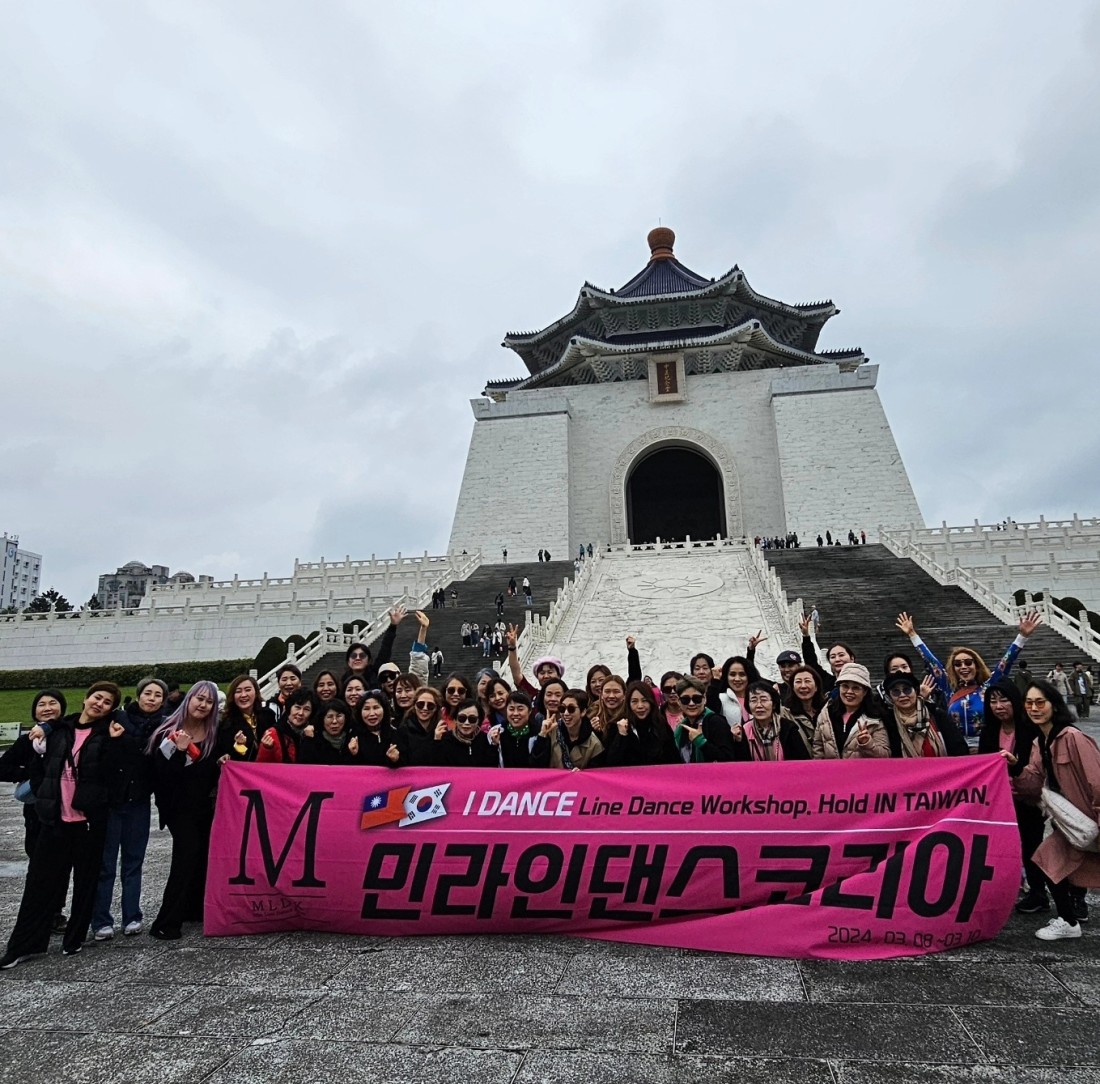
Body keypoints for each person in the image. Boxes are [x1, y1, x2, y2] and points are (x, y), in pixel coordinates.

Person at [0, 682, 125, 968]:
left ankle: (74, 938)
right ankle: (24, 945)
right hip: (54, 819)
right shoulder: (60, 729)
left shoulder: (109, 733)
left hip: (88, 822)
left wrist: (116, 742)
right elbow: (36, 765)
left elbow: (114, 775)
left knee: (85, 883)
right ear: (85, 699)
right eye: (97, 697)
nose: (100, 704)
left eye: (107, 702)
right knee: (39, 884)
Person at [1016, 679, 1100, 940]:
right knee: (1047, 859)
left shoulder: (1073, 737)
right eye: (1029, 703)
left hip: (1089, 818)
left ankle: (1069, 918)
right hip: (1068, 823)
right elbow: (1033, 782)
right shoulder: (1040, 742)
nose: (1034, 708)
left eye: (1040, 702)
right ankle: (1068, 920)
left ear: (1054, 704)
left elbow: (1097, 781)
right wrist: (1013, 768)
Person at [92, 676, 169, 941]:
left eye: (158, 695)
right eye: (148, 693)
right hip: (112, 802)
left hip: (139, 802)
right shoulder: (118, 718)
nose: (152, 699)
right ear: (138, 695)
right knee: (106, 864)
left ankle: (132, 916)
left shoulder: (165, 726)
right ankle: (101, 920)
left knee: (133, 862)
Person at [146, 681, 221, 941]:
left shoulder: (213, 733)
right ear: (189, 700)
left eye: (209, 701)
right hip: (177, 808)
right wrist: (179, 750)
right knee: (186, 854)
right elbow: (164, 777)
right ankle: (166, 921)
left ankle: (192, 908)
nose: (203, 705)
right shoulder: (167, 732)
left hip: (203, 806)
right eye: (199, 699)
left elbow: (210, 771)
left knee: (202, 855)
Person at [897, 609, 1042, 742]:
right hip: (957, 747)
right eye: (958, 664)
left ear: (976, 666)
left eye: (968, 662)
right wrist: (912, 634)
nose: (963, 667)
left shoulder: (988, 687)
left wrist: (1022, 637)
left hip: (986, 745)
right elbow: (931, 661)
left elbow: (1006, 662)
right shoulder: (949, 689)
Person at [0, 689, 70, 932]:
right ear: (34, 711)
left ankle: (55, 912)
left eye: (53, 703)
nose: (47, 708)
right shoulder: (28, 740)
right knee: (38, 864)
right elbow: (3, 768)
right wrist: (32, 773)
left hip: (65, 811)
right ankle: (37, 915)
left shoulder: (67, 733)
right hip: (37, 813)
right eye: (42, 704)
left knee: (62, 865)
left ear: (62, 708)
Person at [977, 680, 1046, 914]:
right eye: (993, 701)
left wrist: (1016, 766)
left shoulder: (1031, 729)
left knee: (1032, 846)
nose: (998, 706)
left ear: (1016, 701)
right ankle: (1006, 890)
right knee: (1003, 847)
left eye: (1004, 700)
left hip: (1027, 798)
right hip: (1000, 800)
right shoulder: (989, 731)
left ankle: (1039, 893)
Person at [813, 663, 891, 759]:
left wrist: (867, 744)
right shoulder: (826, 713)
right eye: (845, 686)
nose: (849, 692)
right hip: (830, 769)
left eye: (856, 688)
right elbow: (818, 748)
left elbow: (885, 755)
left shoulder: (874, 719)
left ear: (865, 692)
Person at [881, 672, 968, 758]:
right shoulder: (888, 721)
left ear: (916, 691)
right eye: (896, 692)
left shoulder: (936, 714)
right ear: (890, 697)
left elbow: (959, 748)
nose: (902, 695)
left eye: (907, 690)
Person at [732, 682, 811, 762]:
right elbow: (740, 763)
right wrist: (738, 742)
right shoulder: (745, 730)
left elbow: (802, 761)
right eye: (753, 701)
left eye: (764, 700)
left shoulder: (788, 728)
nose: (759, 705)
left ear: (774, 704)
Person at [606, 681, 680, 766]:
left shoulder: (661, 725)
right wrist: (621, 736)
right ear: (628, 704)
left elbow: (674, 760)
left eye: (644, 701)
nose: (640, 706)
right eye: (634, 701)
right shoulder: (617, 726)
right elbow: (610, 763)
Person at [530, 690, 605, 770]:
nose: (566, 713)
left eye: (571, 709)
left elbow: (595, 774)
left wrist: (582, 774)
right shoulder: (552, 732)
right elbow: (535, 766)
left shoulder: (595, 744)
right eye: (562, 708)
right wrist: (542, 735)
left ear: (583, 712)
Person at [672, 676, 735, 763]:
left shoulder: (716, 722)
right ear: (679, 702)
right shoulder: (680, 729)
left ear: (704, 699)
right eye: (685, 700)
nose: (691, 703)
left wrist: (702, 743)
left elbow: (728, 758)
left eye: (696, 699)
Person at [216, 675, 276, 762]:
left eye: (248, 690)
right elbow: (226, 758)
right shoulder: (226, 723)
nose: (243, 695)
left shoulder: (268, 715)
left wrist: (269, 747)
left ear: (256, 693)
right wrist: (239, 746)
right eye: (238, 691)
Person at [257, 688, 317, 763]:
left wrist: (309, 740)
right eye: (297, 707)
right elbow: (261, 766)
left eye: (306, 709)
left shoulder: (314, 733)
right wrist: (267, 749)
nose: (301, 713)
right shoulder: (273, 734)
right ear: (289, 708)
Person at [431, 699, 496, 767]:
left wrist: (494, 745)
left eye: (472, 719)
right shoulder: (445, 739)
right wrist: (436, 742)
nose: (466, 723)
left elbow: (492, 767)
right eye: (462, 718)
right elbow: (436, 766)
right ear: (455, 719)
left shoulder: (486, 740)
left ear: (478, 721)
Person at [298, 699, 361, 765]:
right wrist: (309, 740)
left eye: (339, 716)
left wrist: (354, 754)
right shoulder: (313, 739)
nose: (334, 721)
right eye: (329, 717)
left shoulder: (354, 738)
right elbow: (303, 766)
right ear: (322, 719)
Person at [781, 665, 826, 754]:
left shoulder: (827, 712)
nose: (803, 686)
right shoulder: (785, 714)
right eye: (798, 682)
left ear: (816, 687)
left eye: (807, 681)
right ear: (792, 688)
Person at [488, 691, 540, 768]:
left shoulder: (538, 733)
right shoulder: (496, 732)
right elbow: (490, 765)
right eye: (511, 709)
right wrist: (494, 745)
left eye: (520, 709)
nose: (515, 713)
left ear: (529, 711)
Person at [356, 691, 402, 768]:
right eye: (366, 709)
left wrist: (395, 760)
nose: (372, 713)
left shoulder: (395, 734)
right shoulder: (354, 736)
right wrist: (353, 754)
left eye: (376, 708)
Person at [401, 686, 443, 766]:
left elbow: (442, 763)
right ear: (414, 706)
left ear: (436, 709)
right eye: (420, 704)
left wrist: (437, 741)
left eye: (430, 706)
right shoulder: (403, 731)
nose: (425, 708)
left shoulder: (441, 731)